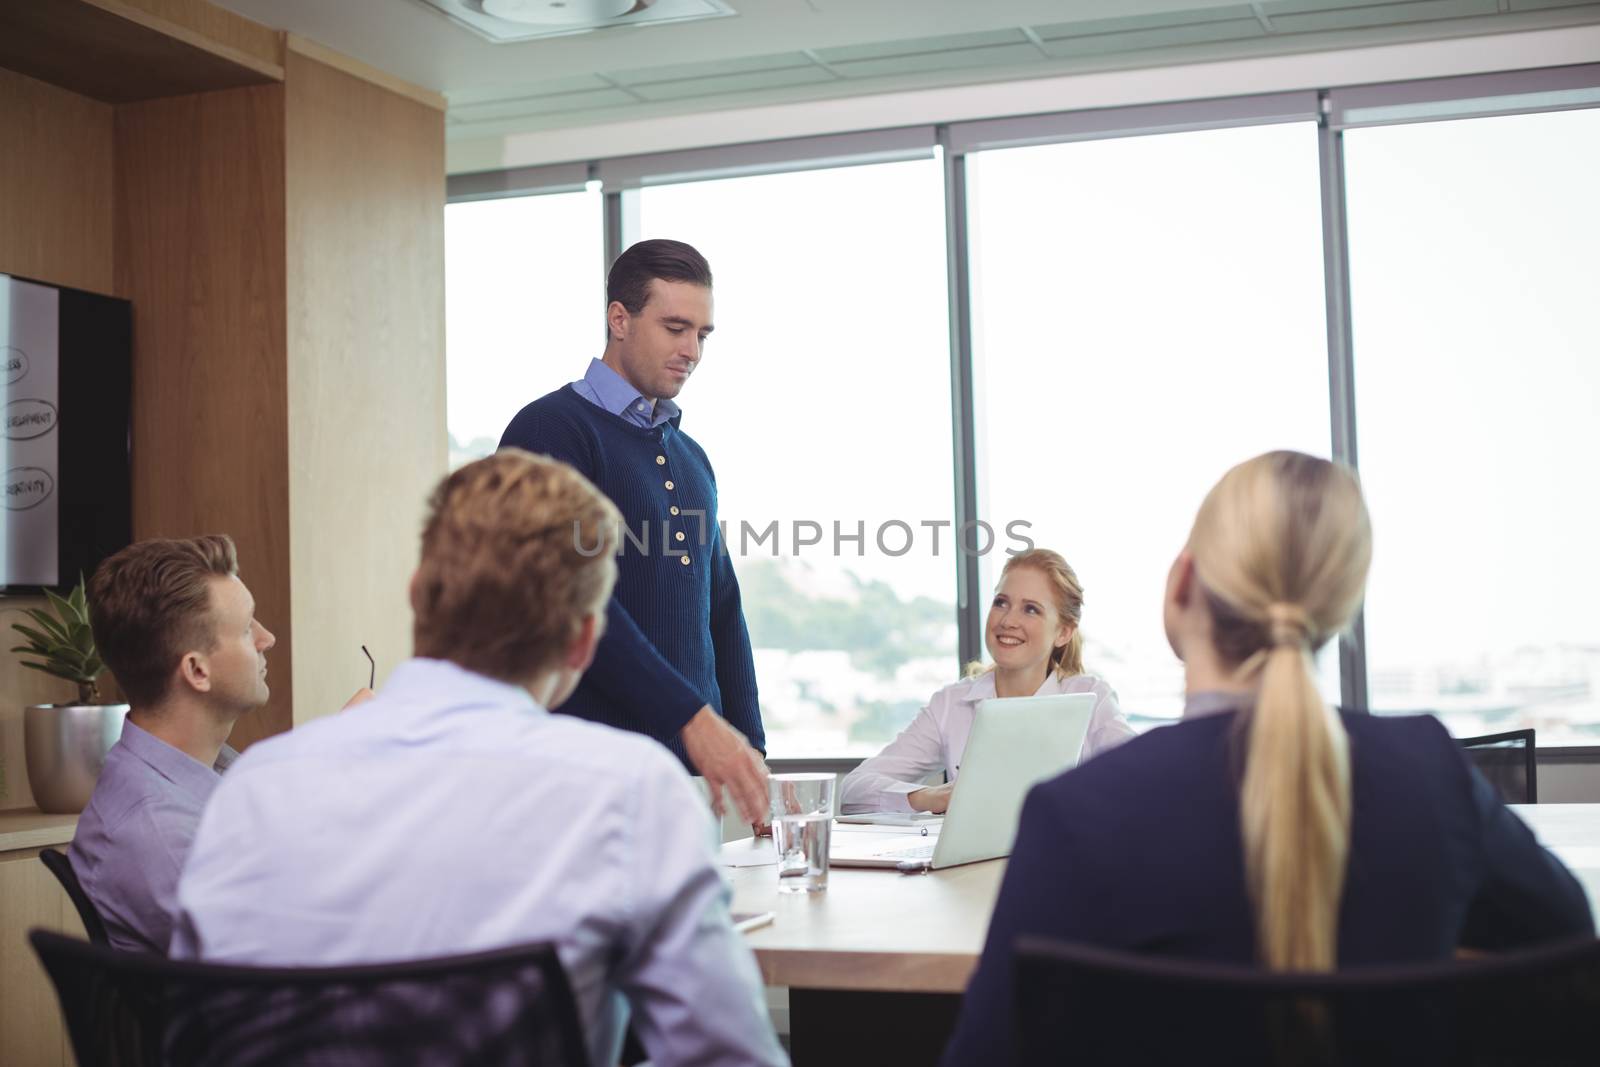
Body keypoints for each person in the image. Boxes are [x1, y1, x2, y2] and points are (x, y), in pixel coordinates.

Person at [942, 451, 1594, 1066]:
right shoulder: (1432, 771)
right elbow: (1566, 948)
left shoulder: (1075, 811)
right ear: (1336, 606)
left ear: (1182, 583)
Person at [171, 451, 787, 1067]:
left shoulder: (255, 788)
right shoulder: (632, 795)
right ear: (582, 643)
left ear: (416, 596)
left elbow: (194, 1039)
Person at [498, 239, 769, 827]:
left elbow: (719, 608)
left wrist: (748, 750)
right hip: (591, 782)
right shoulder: (550, 429)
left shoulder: (692, 455)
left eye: (703, 334)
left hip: (695, 784)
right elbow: (570, 598)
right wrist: (694, 719)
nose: (691, 350)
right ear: (619, 319)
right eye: (675, 327)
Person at [69, 536, 275, 953]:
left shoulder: (202, 774)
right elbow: (294, 964)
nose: (266, 638)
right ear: (197, 671)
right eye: (247, 627)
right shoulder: (162, 837)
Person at [840, 548, 1134, 814]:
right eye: (1001, 603)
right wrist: (932, 796)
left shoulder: (1091, 698)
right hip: (968, 869)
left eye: (1031, 609)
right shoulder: (951, 704)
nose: (1008, 620)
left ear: (1063, 633)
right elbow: (854, 791)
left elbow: (1141, 782)